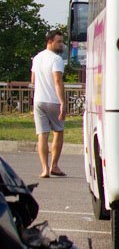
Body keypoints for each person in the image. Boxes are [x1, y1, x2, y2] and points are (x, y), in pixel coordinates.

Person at [30, 29, 68, 179]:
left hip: (38, 100)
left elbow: (33, 80)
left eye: (62, 42)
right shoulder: (56, 59)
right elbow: (57, 81)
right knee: (58, 131)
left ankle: (44, 169)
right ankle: (54, 166)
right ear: (50, 41)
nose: (61, 44)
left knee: (42, 135)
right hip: (53, 101)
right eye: (59, 42)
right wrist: (63, 102)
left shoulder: (37, 57)